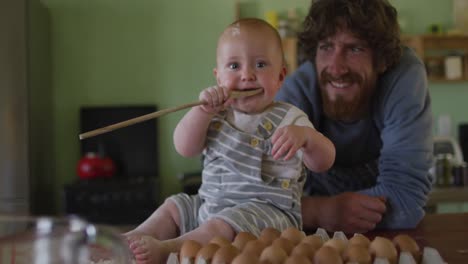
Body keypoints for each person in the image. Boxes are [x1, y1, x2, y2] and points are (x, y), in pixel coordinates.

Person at [124, 18, 335, 263]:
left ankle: (169, 249)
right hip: (210, 205)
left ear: (280, 76)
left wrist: (308, 138)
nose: (247, 75)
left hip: (266, 215)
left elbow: (324, 161)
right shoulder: (214, 115)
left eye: (261, 64)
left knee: (222, 224)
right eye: (234, 66)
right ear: (218, 77)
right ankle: (131, 239)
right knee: (175, 205)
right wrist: (201, 112)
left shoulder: (291, 119)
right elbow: (184, 147)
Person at [275, 0, 433, 234]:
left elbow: (404, 200)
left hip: (387, 242)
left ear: (381, 60)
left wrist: (310, 211)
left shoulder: (403, 78)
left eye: (355, 48)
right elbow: (254, 199)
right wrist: (321, 212)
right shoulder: (298, 91)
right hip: (314, 242)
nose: (336, 68)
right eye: (326, 47)